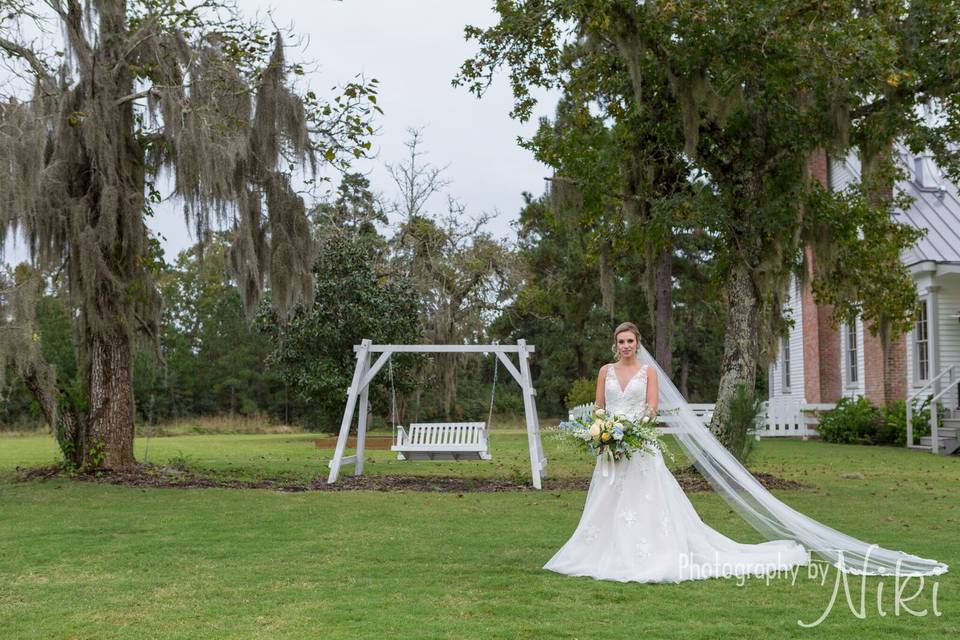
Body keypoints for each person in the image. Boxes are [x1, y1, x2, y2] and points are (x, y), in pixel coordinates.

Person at [544, 322, 810, 583]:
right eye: (621, 342)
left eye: (630, 341)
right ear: (615, 345)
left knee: (643, 500)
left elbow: (652, 409)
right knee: (607, 498)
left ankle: (648, 552)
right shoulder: (606, 371)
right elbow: (599, 407)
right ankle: (602, 550)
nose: (625, 346)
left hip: (639, 446)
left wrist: (632, 431)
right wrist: (605, 430)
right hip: (611, 448)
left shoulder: (648, 372)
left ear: (637, 344)